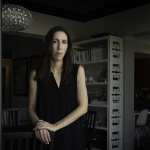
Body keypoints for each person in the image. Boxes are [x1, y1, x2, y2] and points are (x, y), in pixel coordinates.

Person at [28, 26, 88, 150]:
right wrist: (39, 125)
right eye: (55, 42)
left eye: (64, 42)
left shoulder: (78, 71)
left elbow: (83, 107)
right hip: (46, 136)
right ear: (49, 45)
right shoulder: (36, 73)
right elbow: (31, 109)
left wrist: (55, 126)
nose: (60, 47)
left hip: (72, 135)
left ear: (68, 46)